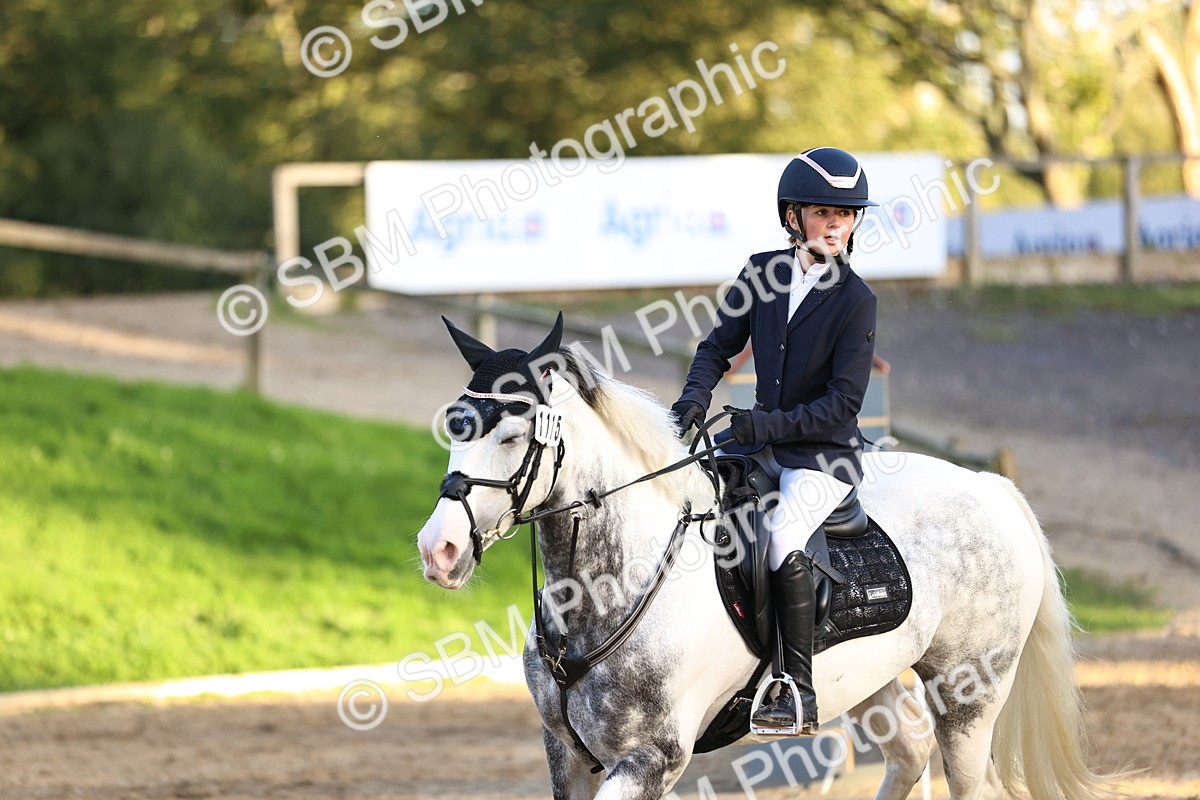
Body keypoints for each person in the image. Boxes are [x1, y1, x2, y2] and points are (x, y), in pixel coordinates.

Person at [671, 147, 878, 735]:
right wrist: (693, 399)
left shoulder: (857, 300)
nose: (838, 223)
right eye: (824, 211)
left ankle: (796, 688)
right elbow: (717, 346)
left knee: (783, 535)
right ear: (794, 216)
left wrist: (765, 425)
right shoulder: (761, 271)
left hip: (823, 456)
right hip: (758, 444)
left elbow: (843, 405)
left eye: (848, 213)